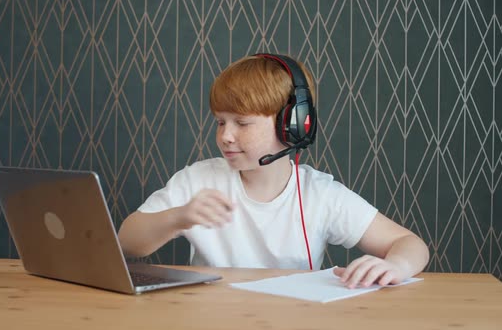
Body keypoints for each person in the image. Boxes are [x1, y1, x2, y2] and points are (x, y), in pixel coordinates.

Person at [118, 53, 429, 289]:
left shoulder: (319, 194)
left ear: (293, 125)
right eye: (220, 121)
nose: (226, 135)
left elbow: (411, 244)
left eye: (241, 123)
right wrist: (179, 217)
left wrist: (397, 266)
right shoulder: (197, 179)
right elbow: (127, 241)